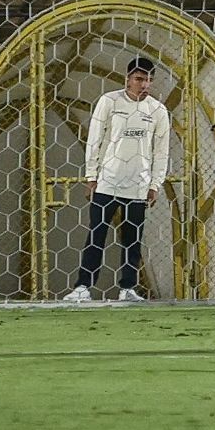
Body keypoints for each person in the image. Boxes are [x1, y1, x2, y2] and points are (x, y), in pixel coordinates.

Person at [63, 57, 170, 303]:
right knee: (96, 235)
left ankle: (128, 288)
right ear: (128, 79)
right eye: (139, 79)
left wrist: (155, 184)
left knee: (133, 239)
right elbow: (95, 140)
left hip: (138, 185)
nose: (144, 85)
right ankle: (83, 287)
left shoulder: (157, 111)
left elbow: (161, 151)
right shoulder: (109, 102)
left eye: (148, 80)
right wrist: (91, 176)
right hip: (108, 181)